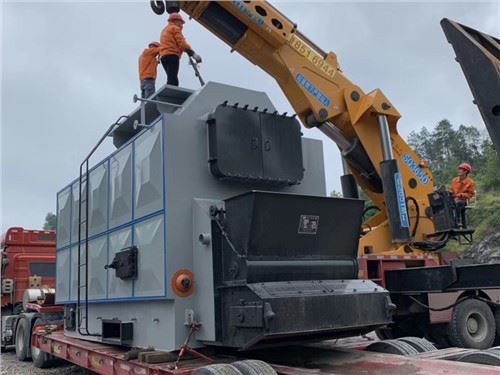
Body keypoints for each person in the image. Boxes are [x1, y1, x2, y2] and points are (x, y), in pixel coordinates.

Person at [159, 12, 202, 86]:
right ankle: (171, 95)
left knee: (172, 78)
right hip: (172, 56)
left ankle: (170, 93)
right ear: (175, 21)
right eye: (181, 22)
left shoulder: (164, 31)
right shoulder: (174, 28)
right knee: (172, 80)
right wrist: (192, 53)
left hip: (164, 57)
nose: (182, 25)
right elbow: (181, 43)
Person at [450, 162, 476, 228]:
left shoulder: (470, 182)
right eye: (459, 169)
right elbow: (452, 191)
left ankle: (458, 222)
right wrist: (451, 195)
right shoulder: (454, 180)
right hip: (454, 199)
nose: (459, 171)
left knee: (458, 203)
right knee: (446, 205)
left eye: (461, 169)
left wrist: (461, 195)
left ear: (465, 171)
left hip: (464, 200)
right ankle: (449, 223)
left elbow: (470, 194)